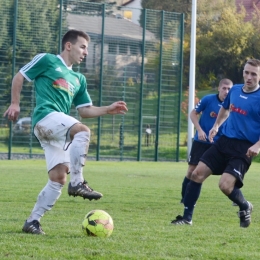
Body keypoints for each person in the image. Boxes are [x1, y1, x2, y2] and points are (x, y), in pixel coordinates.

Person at [3, 29, 128, 235]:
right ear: (69, 46)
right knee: (82, 131)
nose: (85, 52)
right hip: (45, 117)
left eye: (87, 48)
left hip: (55, 128)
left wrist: (107, 109)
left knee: (58, 177)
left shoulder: (79, 79)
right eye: (83, 47)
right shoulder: (48, 60)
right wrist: (15, 103)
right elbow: (19, 76)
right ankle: (78, 182)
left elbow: (84, 110)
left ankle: (32, 222)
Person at [171, 58, 260, 228]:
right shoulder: (234, 90)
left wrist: (257, 145)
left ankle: (244, 205)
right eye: (246, 72)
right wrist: (216, 126)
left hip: (244, 147)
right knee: (196, 174)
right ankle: (187, 218)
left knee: (225, 186)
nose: (249, 77)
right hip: (224, 141)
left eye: (254, 74)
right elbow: (225, 108)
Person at [180, 79, 233, 203]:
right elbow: (193, 114)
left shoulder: (233, 104)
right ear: (219, 88)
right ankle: (184, 199)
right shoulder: (208, 99)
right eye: (224, 88)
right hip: (201, 142)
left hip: (219, 144)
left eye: (229, 89)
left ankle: (235, 198)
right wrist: (199, 130)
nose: (226, 91)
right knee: (191, 171)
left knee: (231, 170)